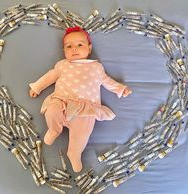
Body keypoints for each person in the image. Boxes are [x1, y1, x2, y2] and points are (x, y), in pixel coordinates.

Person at [29, 26, 132, 172]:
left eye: (80, 45)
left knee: (82, 132)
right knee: (52, 110)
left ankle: (74, 152)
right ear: (64, 51)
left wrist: (121, 89)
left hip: (85, 108)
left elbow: (107, 81)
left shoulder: (96, 67)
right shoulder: (62, 65)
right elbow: (50, 76)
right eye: (68, 46)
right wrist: (37, 87)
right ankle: (54, 129)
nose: (74, 49)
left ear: (89, 48)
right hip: (62, 101)